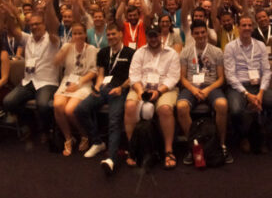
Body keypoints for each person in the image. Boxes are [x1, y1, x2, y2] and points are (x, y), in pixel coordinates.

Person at [0, 0, 62, 144]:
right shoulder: (28, 39)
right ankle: (30, 123)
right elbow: (13, 30)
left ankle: (45, 130)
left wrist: (48, 6)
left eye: (38, 24)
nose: (34, 27)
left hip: (47, 82)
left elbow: (54, 24)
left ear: (44, 24)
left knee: (43, 105)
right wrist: (8, 11)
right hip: (29, 82)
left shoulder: (52, 40)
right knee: (8, 102)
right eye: (32, 24)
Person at [223, 15, 272, 154]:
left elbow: (266, 71)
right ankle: (243, 136)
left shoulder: (260, 46)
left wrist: (260, 93)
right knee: (235, 111)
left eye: (249, 25)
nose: (247, 28)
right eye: (244, 25)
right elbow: (230, 75)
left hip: (257, 87)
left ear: (252, 28)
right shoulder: (230, 47)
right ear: (238, 27)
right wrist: (247, 95)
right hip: (238, 87)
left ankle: (261, 129)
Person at [76, 26, 135, 175]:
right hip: (103, 89)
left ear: (121, 34)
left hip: (120, 90)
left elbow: (133, 76)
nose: (110, 36)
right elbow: (101, 73)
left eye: (113, 33)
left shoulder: (130, 53)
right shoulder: (103, 52)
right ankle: (97, 142)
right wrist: (96, 86)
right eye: (108, 34)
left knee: (114, 120)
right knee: (80, 109)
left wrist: (121, 87)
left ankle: (111, 159)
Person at [176, 20, 232, 165]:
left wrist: (207, 89)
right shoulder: (185, 51)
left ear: (206, 33)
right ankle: (194, 146)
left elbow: (221, 79)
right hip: (191, 86)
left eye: (203, 32)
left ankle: (221, 145)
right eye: (197, 33)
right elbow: (182, 77)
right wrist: (194, 89)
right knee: (181, 107)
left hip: (211, 86)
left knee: (222, 104)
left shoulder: (217, 51)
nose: (200, 35)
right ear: (192, 35)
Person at [124, 25, 181, 169]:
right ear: (147, 37)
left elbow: (173, 77)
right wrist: (139, 91)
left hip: (165, 88)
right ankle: (133, 149)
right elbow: (134, 76)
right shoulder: (139, 53)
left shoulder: (172, 53)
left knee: (165, 109)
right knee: (130, 106)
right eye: (150, 36)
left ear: (161, 35)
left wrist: (159, 92)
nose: (153, 39)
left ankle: (168, 150)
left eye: (156, 36)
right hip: (141, 87)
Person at [53, 22, 98, 156]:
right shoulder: (67, 46)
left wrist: (78, 84)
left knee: (70, 110)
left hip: (83, 82)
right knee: (58, 105)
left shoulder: (91, 49)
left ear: (85, 34)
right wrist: (66, 48)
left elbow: (93, 72)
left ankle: (84, 135)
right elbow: (56, 62)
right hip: (67, 80)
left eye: (80, 33)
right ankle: (68, 138)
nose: (77, 36)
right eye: (75, 33)